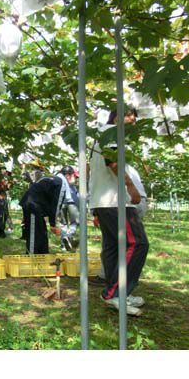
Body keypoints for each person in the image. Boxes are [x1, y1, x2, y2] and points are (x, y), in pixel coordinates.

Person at [89, 107, 149, 317]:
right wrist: (131, 187)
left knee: (113, 247)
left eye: (135, 116)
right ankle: (115, 293)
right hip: (115, 202)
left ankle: (117, 293)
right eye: (129, 115)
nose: (133, 119)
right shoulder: (111, 132)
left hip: (104, 202)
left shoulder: (103, 135)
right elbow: (112, 162)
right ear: (116, 117)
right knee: (137, 243)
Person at [19, 174, 64, 254]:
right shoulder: (60, 183)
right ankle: (32, 258)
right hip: (33, 206)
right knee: (34, 236)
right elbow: (56, 205)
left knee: (41, 234)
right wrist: (53, 224)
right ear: (68, 175)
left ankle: (43, 255)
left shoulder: (52, 179)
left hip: (34, 206)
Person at [57, 166, 80, 251]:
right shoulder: (70, 183)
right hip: (71, 202)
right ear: (69, 175)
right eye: (75, 176)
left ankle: (64, 245)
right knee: (75, 222)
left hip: (61, 202)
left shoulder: (60, 180)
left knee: (63, 224)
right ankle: (68, 236)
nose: (76, 179)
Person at [0, 168, 12, 238]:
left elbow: (6, 189)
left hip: (4, 198)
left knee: (5, 215)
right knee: (0, 216)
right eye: (4, 170)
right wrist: (5, 185)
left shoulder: (4, 179)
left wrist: (9, 185)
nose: (6, 172)